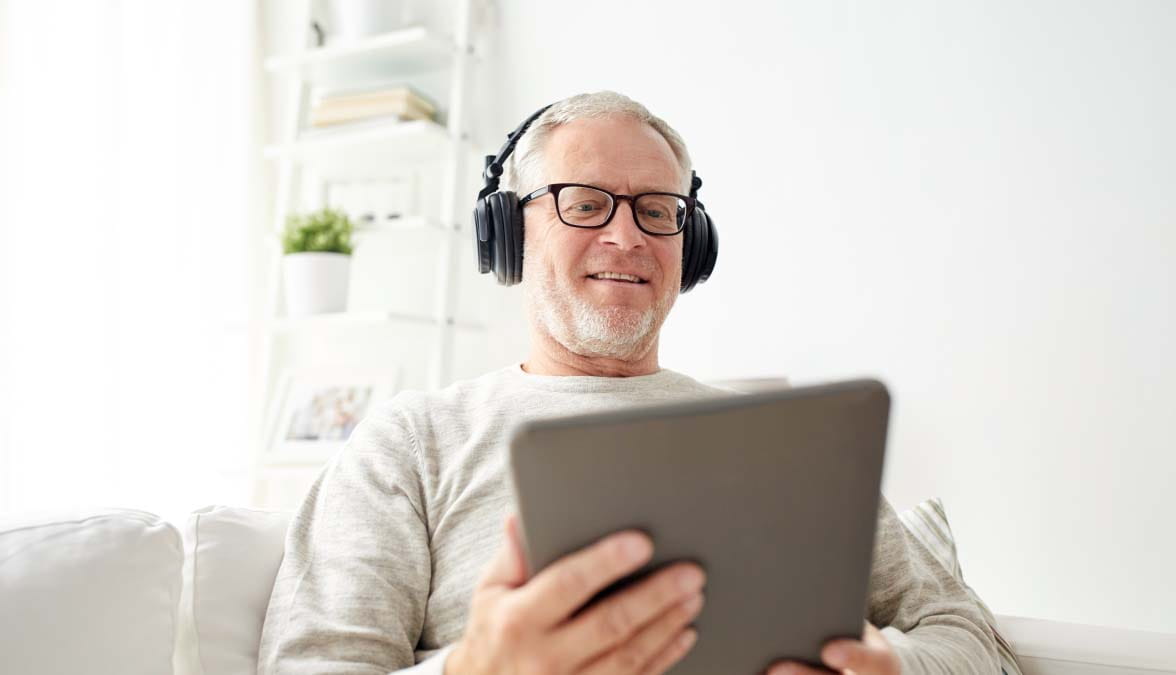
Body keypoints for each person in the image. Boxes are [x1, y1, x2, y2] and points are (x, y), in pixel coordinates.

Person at [257, 91, 1001, 675]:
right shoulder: (411, 442)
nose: (627, 236)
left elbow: (963, 634)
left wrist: (890, 666)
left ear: (692, 245)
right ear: (510, 232)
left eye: (658, 211)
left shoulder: (791, 443)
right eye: (584, 203)